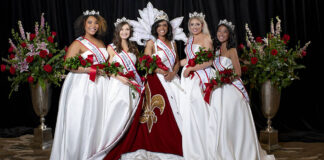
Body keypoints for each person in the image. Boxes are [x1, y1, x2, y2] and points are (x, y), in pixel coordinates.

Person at [105, 4, 186, 160]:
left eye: (164, 25)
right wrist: (160, 71)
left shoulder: (174, 43)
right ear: (155, 28)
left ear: (168, 28)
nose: (162, 28)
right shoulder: (151, 43)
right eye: (159, 26)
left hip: (173, 79)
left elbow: (176, 61)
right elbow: (146, 63)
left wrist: (174, 72)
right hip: (158, 80)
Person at [209, 19, 275, 160]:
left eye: (225, 31)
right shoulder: (215, 50)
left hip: (231, 89)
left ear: (229, 34)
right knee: (221, 121)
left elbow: (238, 72)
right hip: (219, 90)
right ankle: (224, 150)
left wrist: (223, 79)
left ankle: (241, 151)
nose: (221, 34)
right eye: (219, 31)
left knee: (232, 121)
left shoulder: (232, 50)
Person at [50, 10, 109, 160]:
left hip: (101, 85)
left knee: (97, 120)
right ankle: (77, 154)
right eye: (90, 22)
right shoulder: (78, 43)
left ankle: (92, 152)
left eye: (96, 23)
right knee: (82, 119)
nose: (93, 26)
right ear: (84, 24)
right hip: (83, 85)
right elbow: (67, 65)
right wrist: (89, 69)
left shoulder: (101, 42)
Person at [87, 17, 142, 160]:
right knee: (118, 115)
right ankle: (110, 145)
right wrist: (120, 78)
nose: (125, 32)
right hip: (118, 84)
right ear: (118, 31)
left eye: (127, 29)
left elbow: (135, 68)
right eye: (122, 29)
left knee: (132, 114)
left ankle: (127, 144)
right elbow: (108, 69)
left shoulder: (134, 47)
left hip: (131, 84)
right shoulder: (111, 47)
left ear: (130, 31)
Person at [179, 12, 215, 160]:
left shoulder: (206, 38)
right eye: (192, 24)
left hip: (201, 75)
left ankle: (204, 143)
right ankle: (192, 143)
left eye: (197, 24)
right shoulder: (189, 39)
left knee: (199, 106)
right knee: (186, 108)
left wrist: (191, 69)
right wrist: (174, 66)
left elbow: (209, 62)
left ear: (202, 25)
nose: (194, 27)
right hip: (188, 77)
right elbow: (188, 59)